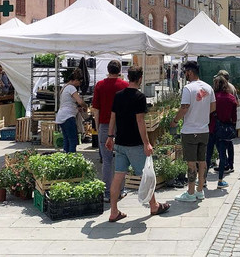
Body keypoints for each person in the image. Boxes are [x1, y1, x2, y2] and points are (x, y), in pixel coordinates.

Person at [105, 66, 170, 222]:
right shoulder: (139, 97)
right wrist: (147, 143)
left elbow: (112, 117)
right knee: (145, 175)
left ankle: (113, 211)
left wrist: (109, 136)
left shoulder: (118, 95)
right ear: (140, 78)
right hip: (134, 144)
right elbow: (140, 122)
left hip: (119, 142)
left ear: (128, 77)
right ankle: (154, 206)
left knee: (118, 176)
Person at [171, 61, 216, 202]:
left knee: (191, 162)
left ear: (189, 72)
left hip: (190, 130)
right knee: (202, 161)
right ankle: (200, 190)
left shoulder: (188, 88)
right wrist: (201, 114)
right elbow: (213, 107)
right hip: (204, 129)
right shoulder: (208, 87)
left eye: (185, 73)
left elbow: (184, 107)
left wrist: (175, 120)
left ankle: (190, 193)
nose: (185, 75)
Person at [91, 60, 129, 203]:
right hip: (122, 126)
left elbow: (96, 109)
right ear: (119, 70)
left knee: (106, 160)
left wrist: (98, 125)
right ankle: (120, 190)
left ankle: (107, 192)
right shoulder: (124, 85)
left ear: (108, 70)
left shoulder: (100, 85)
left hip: (105, 125)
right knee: (121, 158)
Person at [209, 76, 238, 189]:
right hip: (224, 129)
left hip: (212, 128)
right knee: (222, 155)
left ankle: (204, 180)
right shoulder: (231, 98)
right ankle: (220, 180)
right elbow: (234, 117)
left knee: (208, 155)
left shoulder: (213, 97)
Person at [55, 69, 88, 153]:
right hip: (68, 117)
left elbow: (68, 102)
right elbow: (80, 101)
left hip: (61, 116)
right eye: (79, 82)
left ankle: (66, 157)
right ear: (76, 80)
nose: (79, 84)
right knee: (73, 140)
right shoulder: (71, 88)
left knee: (67, 139)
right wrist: (85, 106)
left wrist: (76, 108)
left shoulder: (65, 87)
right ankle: (72, 159)